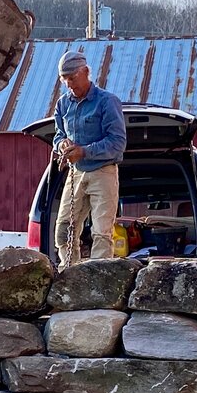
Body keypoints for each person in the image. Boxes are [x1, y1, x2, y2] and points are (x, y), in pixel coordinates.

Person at [52, 50, 127, 269]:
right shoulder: (62, 104)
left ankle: (99, 278)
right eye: (64, 80)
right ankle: (70, 273)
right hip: (76, 172)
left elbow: (117, 143)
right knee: (64, 228)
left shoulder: (107, 102)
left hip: (103, 171)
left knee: (101, 232)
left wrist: (84, 151)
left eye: (72, 78)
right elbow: (58, 135)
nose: (68, 84)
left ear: (85, 72)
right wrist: (62, 144)